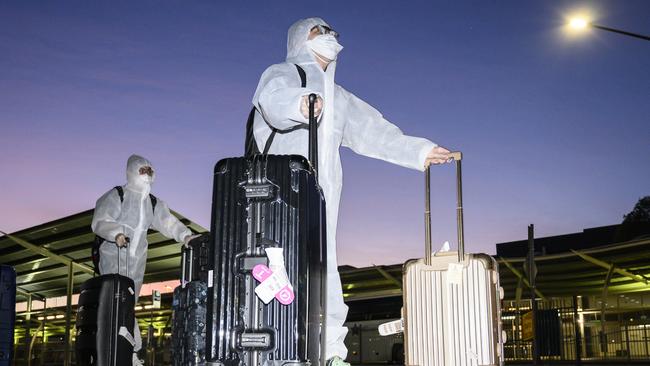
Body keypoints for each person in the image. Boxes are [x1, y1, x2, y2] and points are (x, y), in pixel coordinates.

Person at [250, 17, 452, 365]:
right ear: (300, 39)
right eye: (319, 31)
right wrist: (299, 104)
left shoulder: (339, 98)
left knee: (324, 271)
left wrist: (420, 151)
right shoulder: (283, 73)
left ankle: (330, 354)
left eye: (331, 32)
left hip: (323, 196)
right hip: (278, 192)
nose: (328, 37)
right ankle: (272, 347)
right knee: (279, 266)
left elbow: (376, 132)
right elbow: (270, 100)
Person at [91, 154, 198, 366]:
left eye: (150, 171)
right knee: (117, 303)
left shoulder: (152, 202)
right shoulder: (118, 194)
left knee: (128, 305)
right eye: (143, 170)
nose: (147, 175)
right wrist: (115, 233)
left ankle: (128, 352)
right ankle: (128, 352)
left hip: (137, 261)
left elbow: (168, 222)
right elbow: (100, 220)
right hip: (115, 256)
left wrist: (185, 235)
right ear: (132, 171)